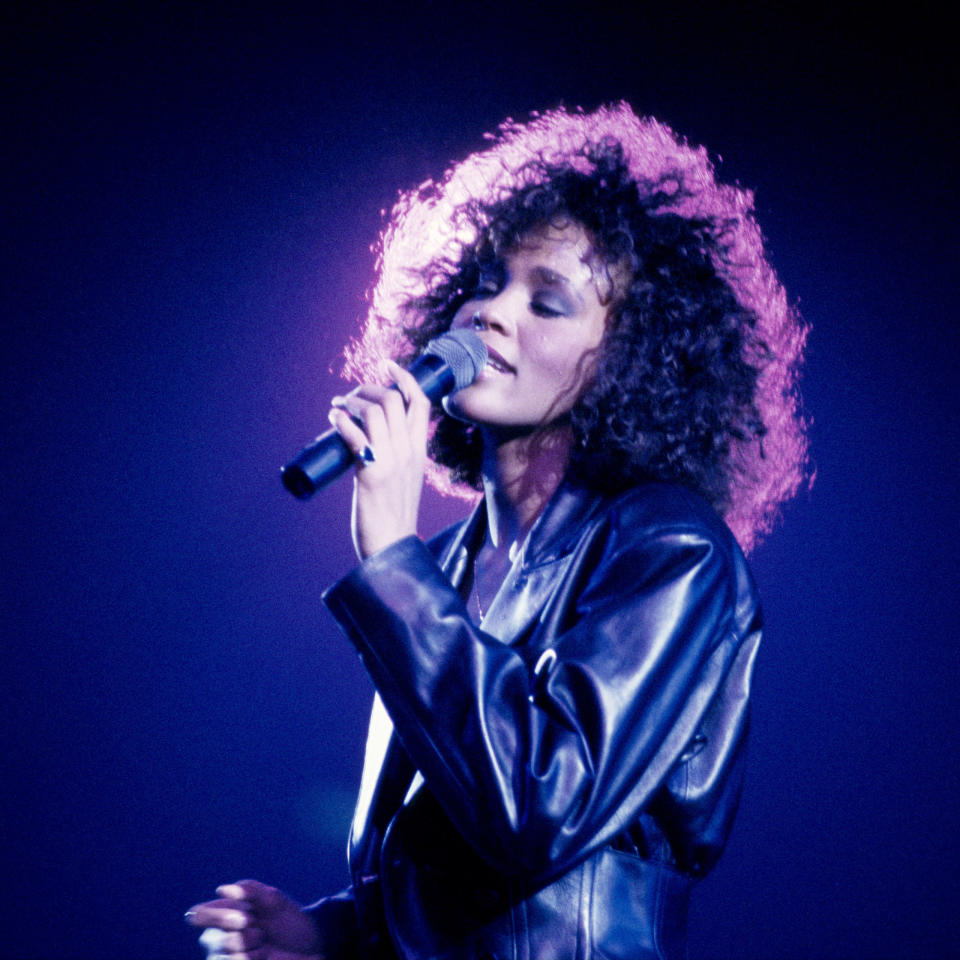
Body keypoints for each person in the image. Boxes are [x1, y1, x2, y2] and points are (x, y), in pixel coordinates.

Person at [186, 103, 808, 959]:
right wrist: (328, 934)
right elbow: (450, 854)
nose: (493, 312)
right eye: (485, 281)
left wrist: (392, 562)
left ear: (630, 357)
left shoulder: (672, 550)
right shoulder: (448, 564)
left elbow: (538, 810)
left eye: (547, 302)